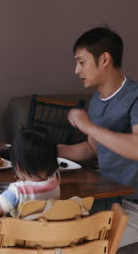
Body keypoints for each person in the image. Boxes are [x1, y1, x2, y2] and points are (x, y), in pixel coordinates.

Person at [58, 26, 138, 249]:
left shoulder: (135, 96)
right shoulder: (96, 102)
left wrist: (89, 126)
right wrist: (48, 148)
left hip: (133, 204)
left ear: (104, 59)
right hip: (107, 198)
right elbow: (90, 149)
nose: (76, 70)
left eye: (81, 62)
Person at [0, 126, 60, 216]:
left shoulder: (18, 191)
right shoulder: (55, 181)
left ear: (18, 165)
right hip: (46, 232)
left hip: (20, 234)